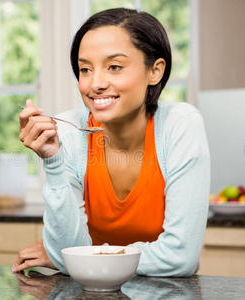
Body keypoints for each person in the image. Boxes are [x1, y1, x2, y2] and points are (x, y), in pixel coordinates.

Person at [13, 8, 210, 276]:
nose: (95, 83)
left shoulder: (180, 125)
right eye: (85, 69)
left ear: (155, 71)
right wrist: (53, 161)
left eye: (114, 67)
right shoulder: (68, 133)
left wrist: (84, 256)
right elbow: (66, 252)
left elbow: (179, 258)